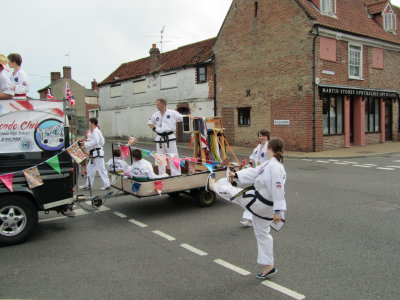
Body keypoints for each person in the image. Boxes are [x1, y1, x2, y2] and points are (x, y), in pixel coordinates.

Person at [206, 137, 287, 279]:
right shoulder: (270, 164)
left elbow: (278, 189)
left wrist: (278, 212)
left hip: (261, 203)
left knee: (234, 193)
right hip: (265, 205)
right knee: (262, 233)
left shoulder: (274, 167)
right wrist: (236, 175)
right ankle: (269, 266)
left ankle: (212, 185)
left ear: (270, 149)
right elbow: (254, 172)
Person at [148, 99, 190, 176]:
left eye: (158, 105)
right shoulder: (155, 115)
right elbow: (150, 122)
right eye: (157, 105)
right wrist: (154, 129)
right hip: (159, 138)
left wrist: (188, 116)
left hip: (169, 138)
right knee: (160, 157)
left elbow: (181, 117)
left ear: (163, 105)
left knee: (173, 156)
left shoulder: (172, 113)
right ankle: (162, 174)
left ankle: (176, 174)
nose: (157, 106)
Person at [241, 129, 270, 227]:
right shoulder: (257, 147)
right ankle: (248, 219)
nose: (261, 137)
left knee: (270, 196)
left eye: (263, 136)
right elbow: (252, 157)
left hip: (267, 176)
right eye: (260, 136)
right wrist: (249, 164)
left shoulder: (270, 147)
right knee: (252, 194)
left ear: (267, 136)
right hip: (257, 175)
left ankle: (277, 213)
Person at [79, 118, 110, 190]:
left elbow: (96, 141)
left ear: (93, 123)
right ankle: (88, 185)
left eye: (89, 122)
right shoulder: (96, 131)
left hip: (97, 153)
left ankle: (107, 185)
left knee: (101, 169)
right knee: (90, 168)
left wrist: (86, 143)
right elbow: (101, 141)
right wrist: (87, 143)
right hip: (94, 153)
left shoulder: (96, 131)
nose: (89, 124)